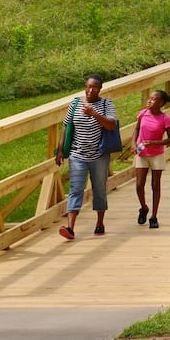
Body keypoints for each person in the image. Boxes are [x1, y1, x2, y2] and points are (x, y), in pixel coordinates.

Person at [55, 74, 119, 240]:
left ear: (100, 89)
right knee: (75, 189)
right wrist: (60, 149)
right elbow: (66, 126)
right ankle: (70, 228)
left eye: (95, 87)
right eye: (89, 87)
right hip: (77, 155)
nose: (91, 90)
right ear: (85, 86)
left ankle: (99, 223)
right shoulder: (75, 103)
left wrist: (94, 114)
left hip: (99, 155)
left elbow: (112, 125)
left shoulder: (106, 104)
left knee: (99, 189)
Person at [133, 89, 170, 229]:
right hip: (141, 153)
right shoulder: (143, 114)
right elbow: (137, 130)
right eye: (149, 98)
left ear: (161, 103)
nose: (149, 101)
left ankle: (154, 215)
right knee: (139, 184)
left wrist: (155, 143)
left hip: (157, 154)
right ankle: (144, 207)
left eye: (153, 99)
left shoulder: (165, 118)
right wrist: (133, 144)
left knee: (155, 184)